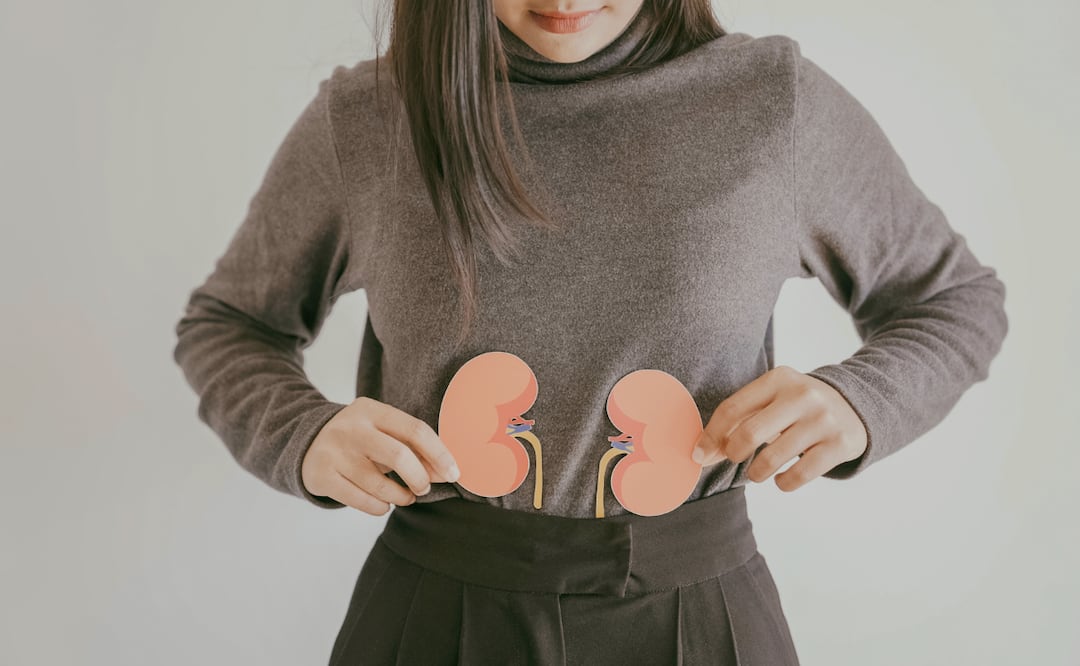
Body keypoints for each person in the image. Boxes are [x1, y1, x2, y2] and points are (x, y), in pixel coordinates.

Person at [172, 0, 1009, 663]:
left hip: (701, 614)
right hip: (435, 613)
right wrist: (302, 433)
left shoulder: (774, 103)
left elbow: (954, 300)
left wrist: (858, 401)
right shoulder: (367, 119)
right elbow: (230, 323)